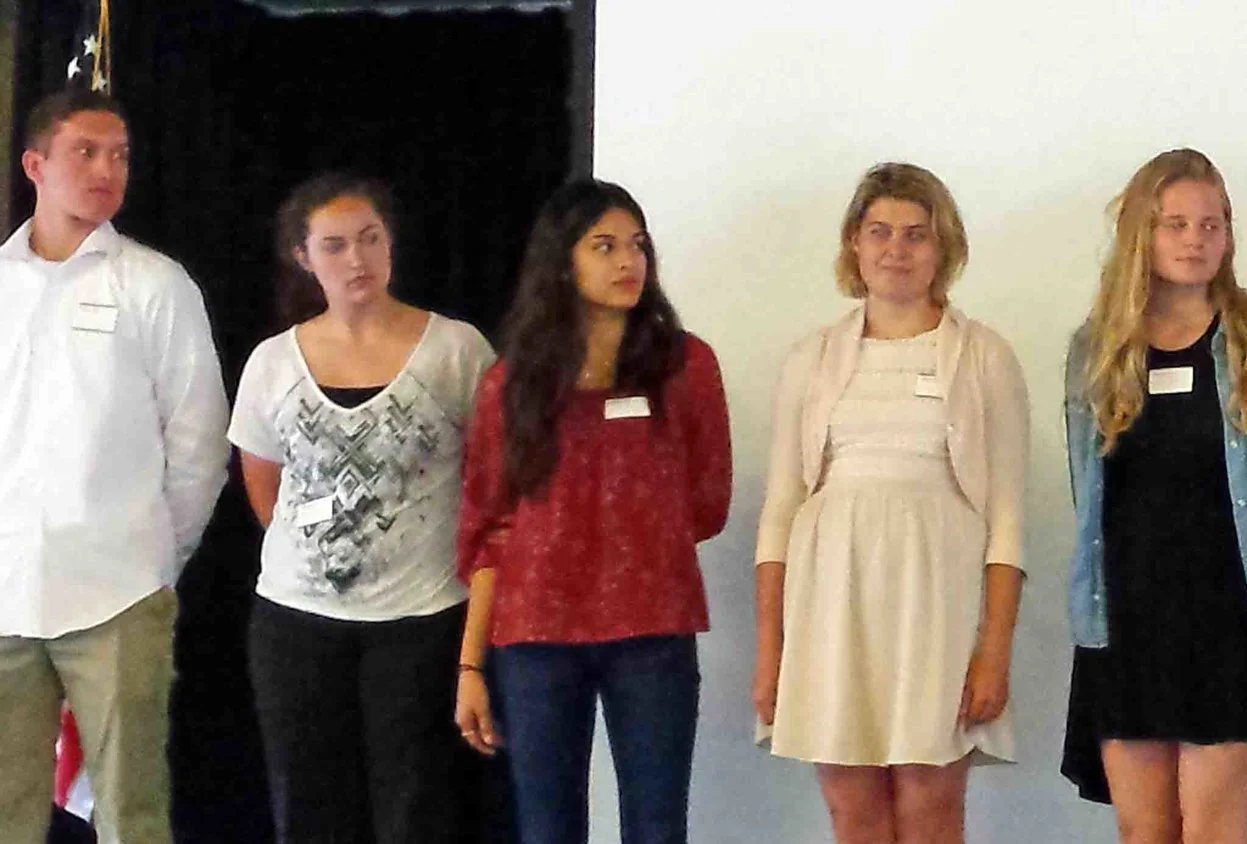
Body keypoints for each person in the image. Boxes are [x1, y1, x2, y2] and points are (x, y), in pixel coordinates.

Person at [752, 163, 1030, 843]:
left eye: (916, 235)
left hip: (937, 607)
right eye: (880, 232)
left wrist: (993, 651)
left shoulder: (984, 356)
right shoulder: (812, 357)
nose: (896, 250)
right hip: (831, 605)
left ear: (943, 248)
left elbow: (1007, 519)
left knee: (930, 810)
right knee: (854, 813)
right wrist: (771, 650)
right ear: (854, 242)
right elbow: (781, 510)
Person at [449, 179, 731, 844]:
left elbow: (708, 499)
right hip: (536, 639)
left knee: (657, 829)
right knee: (547, 831)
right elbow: (488, 527)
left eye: (637, 244)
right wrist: (469, 667)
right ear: (562, 261)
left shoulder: (685, 366)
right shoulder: (510, 383)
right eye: (604, 246)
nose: (628, 261)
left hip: (652, 629)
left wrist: (632, 543)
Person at [1059, 148, 1247, 844]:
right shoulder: (1095, 353)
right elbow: (1087, 495)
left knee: (1213, 833)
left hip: (1232, 630)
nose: (1195, 240)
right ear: (1141, 235)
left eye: (1212, 224)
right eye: (1175, 224)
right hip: (1125, 627)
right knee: (1143, 833)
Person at [230, 174, 496, 843]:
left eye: (371, 238)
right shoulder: (272, 362)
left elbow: (492, 483)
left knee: (417, 813)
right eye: (336, 245)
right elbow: (266, 489)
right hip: (295, 624)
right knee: (310, 813)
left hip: (422, 621)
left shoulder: (457, 351)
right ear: (303, 257)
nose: (357, 259)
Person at [0, 88, 228, 844]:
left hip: (119, 595)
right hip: (5, 591)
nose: (107, 170)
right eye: (86, 152)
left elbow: (199, 444)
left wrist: (157, 560)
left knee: (132, 815)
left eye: (121, 156)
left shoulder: (156, 285)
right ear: (35, 165)